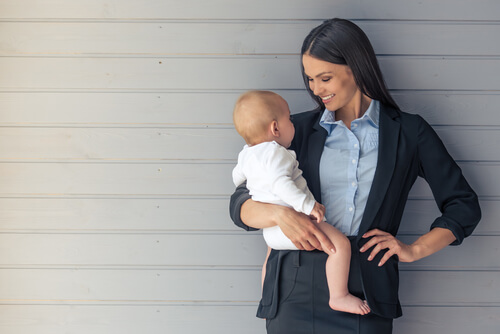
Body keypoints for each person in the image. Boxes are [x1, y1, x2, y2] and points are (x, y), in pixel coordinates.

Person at [229, 18, 481, 334]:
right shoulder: (295, 130)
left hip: (366, 290)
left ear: (356, 68)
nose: (316, 90)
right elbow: (240, 202)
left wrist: (413, 250)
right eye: (310, 79)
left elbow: (464, 205)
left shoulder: (408, 133)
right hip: (292, 289)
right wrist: (280, 215)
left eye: (325, 78)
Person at [232, 90, 371, 315]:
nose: (293, 123)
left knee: (270, 256)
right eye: (289, 118)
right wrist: (309, 206)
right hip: (296, 222)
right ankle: (339, 295)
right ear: (275, 128)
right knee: (340, 246)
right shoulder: (278, 153)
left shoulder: (246, 154)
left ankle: (267, 299)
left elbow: (237, 179)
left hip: (271, 231)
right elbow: (281, 185)